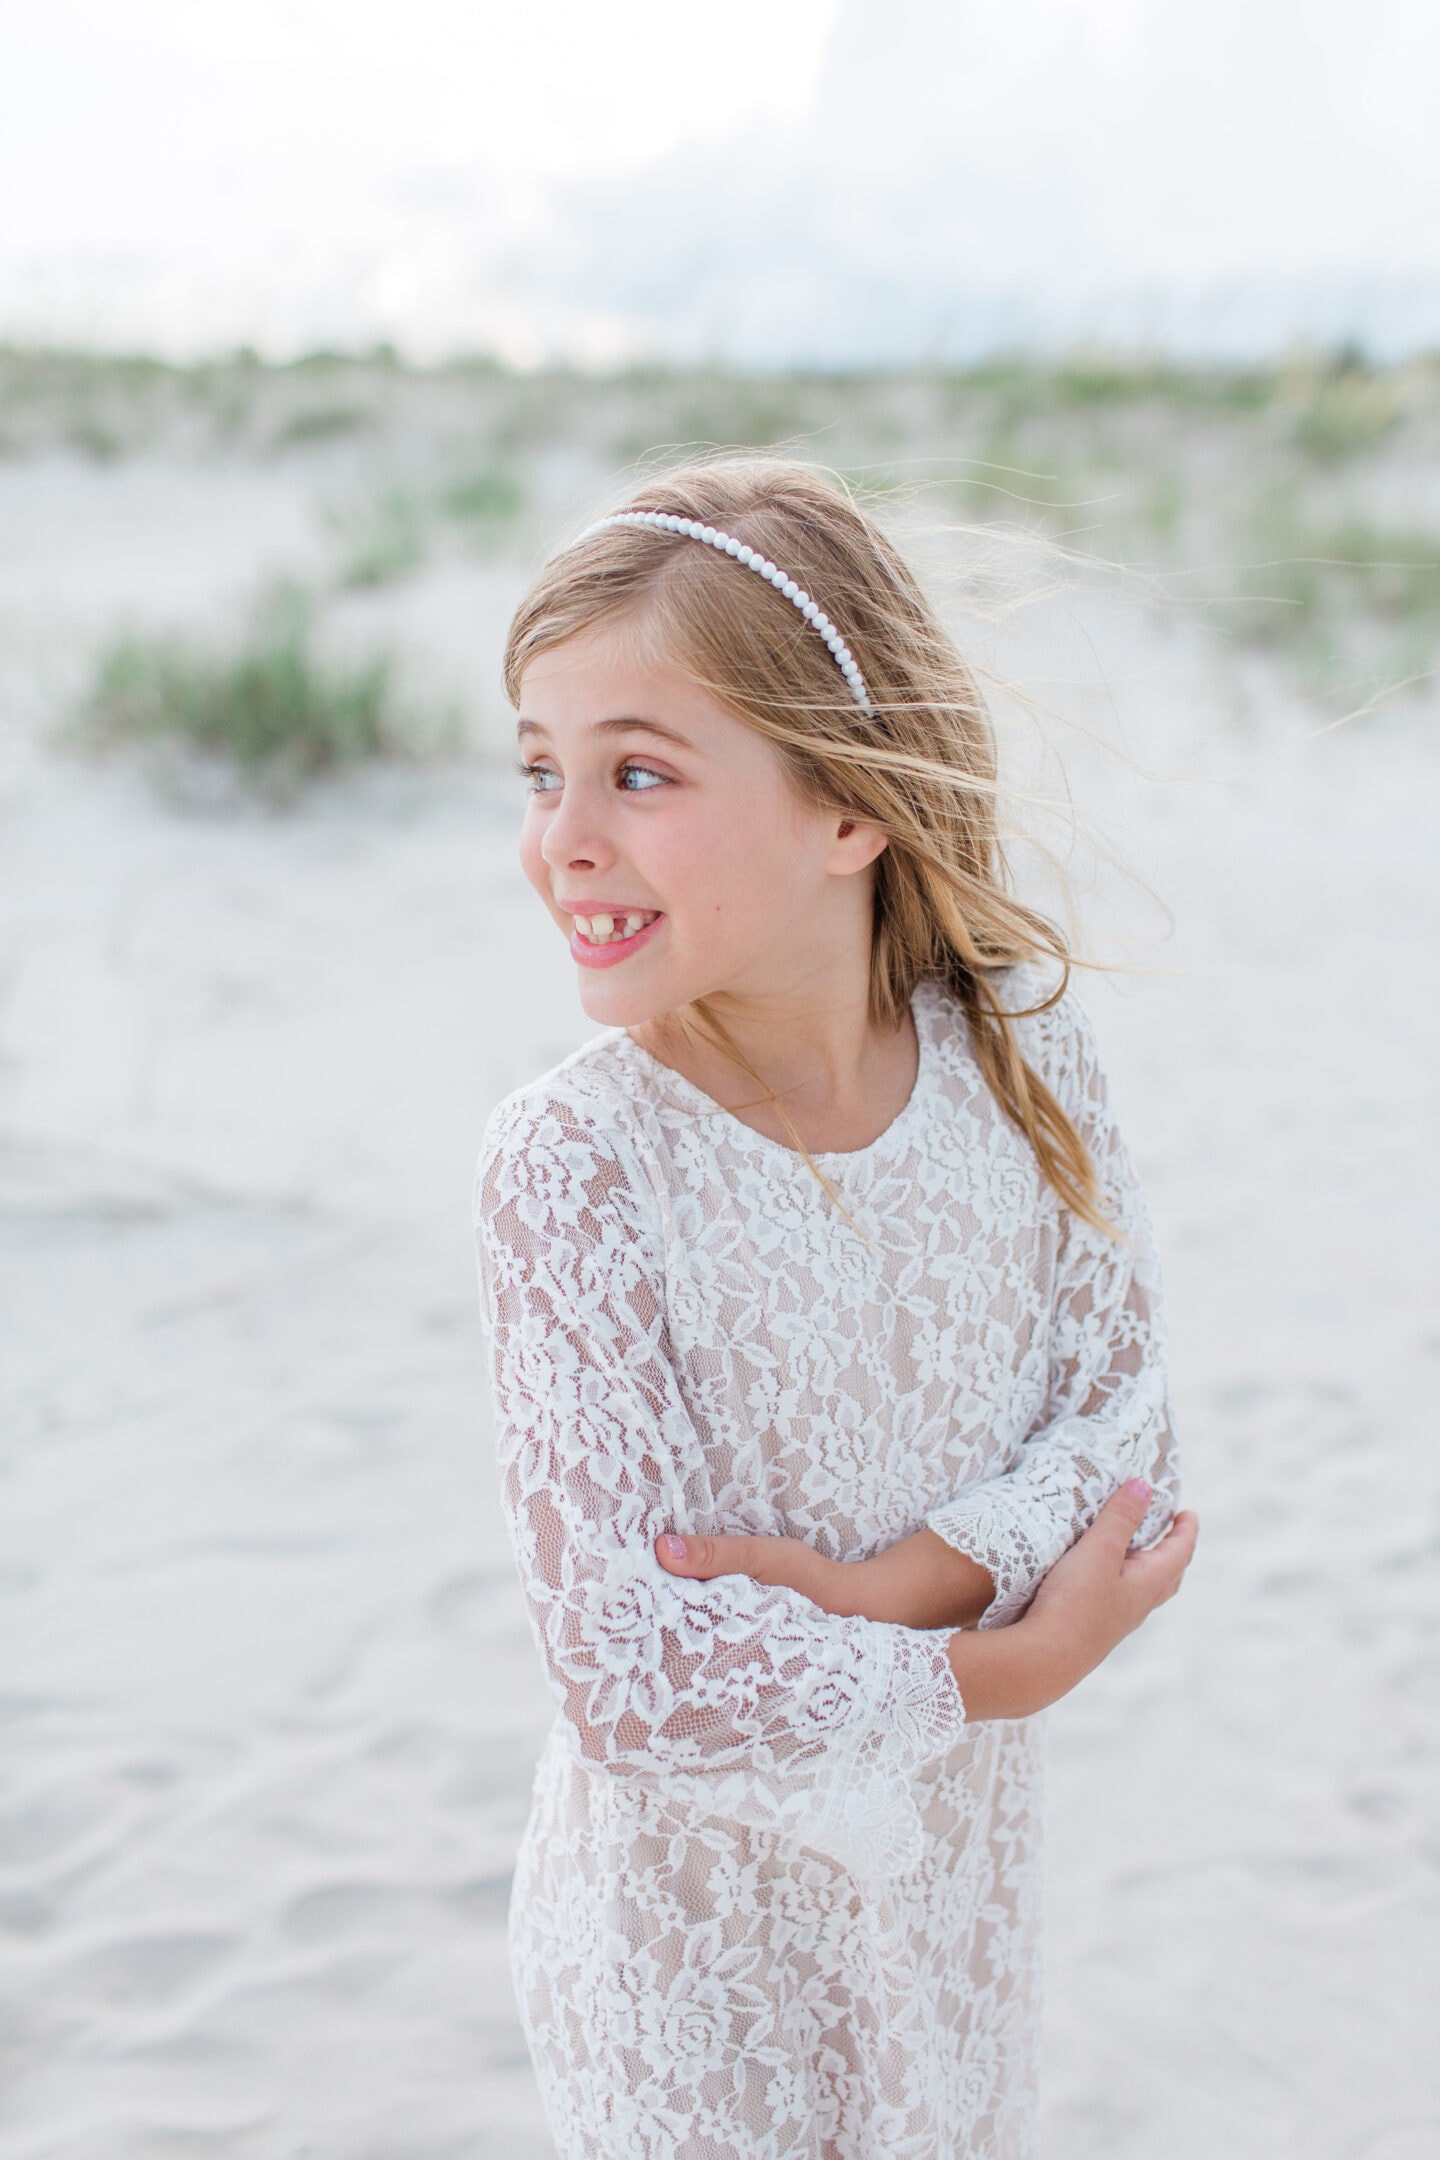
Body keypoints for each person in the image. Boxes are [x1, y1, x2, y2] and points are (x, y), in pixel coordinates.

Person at [472, 458, 1198, 2160]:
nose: (562, 837)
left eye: (638, 773)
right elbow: (631, 1674)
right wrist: (986, 1677)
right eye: (538, 772)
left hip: (948, 1902)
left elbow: (1129, 1427)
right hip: (683, 1949)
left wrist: (907, 1586)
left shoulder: (1015, 1055)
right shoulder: (577, 1166)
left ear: (847, 806)